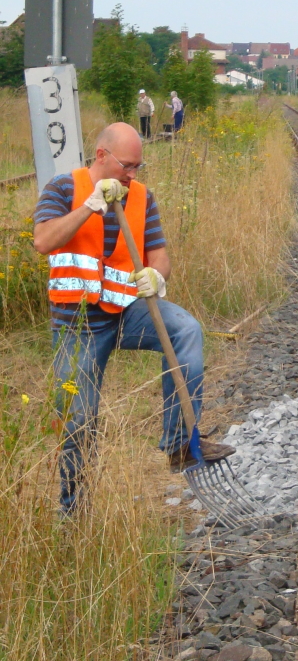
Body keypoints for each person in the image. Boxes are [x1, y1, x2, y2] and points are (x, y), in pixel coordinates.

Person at [32, 122, 234, 515]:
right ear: (101, 155)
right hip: (78, 324)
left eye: (139, 167)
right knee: (78, 420)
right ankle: (73, 510)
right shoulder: (63, 188)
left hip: (127, 312)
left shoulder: (141, 198)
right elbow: (44, 241)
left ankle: (180, 443)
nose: (132, 175)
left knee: (186, 330)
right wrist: (89, 207)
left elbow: (158, 252)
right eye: (127, 165)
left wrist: (157, 275)